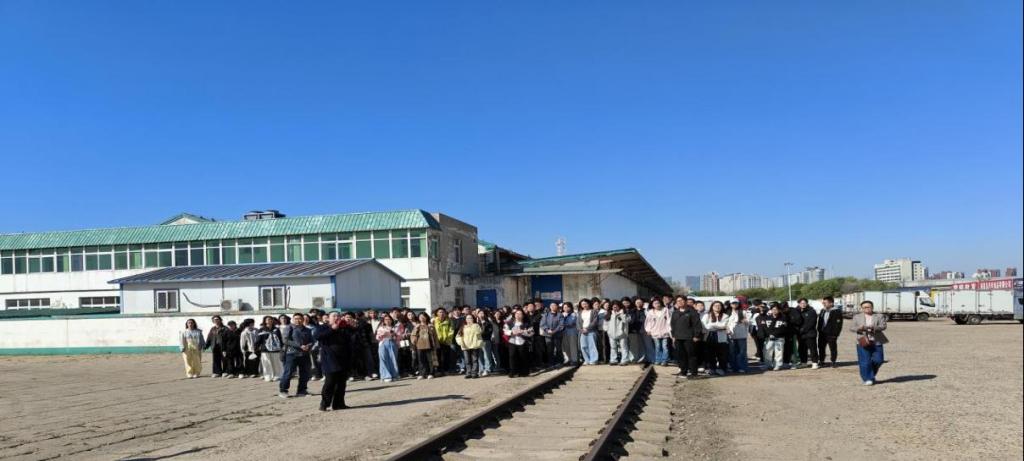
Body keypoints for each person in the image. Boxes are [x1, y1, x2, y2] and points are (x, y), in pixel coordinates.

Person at [314, 311, 354, 411]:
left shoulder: (343, 327)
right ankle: (324, 404)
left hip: (343, 358)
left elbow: (351, 336)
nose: (336, 317)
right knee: (330, 382)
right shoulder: (323, 327)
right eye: (334, 316)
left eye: (338, 316)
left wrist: (350, 326)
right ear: (328, 318)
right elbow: (318, 336)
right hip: (330, 359)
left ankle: (339, 404)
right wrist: (332, 329)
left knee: (341, 383)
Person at [851, 300, 888, 385]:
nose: (866, 309)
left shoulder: (879, 316)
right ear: (862, 308)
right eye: (864, 307)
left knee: (879, 360)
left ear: (872, 307)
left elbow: (883, 326)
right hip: (862, 340)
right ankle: (868, 379)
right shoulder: (857, 317)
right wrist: (859, 328)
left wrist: (874, 327)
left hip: (877, 341)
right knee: (865, 361)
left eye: (868, 307)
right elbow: (852, 328)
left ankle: (870, 373)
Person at [279, 313, 314, 398]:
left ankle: (302, 391)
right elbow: (286, 340)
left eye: (299, 319)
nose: (298, 320)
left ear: (303, 320)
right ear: (293, 320)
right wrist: (300, 346)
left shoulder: (307, 330)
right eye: (296, 319)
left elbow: (312, 341)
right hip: (291, 354)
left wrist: (308, 346)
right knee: (288, 373)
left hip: (304, 354)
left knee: (305, 373)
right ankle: (283, 390)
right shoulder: (289, 328)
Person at [670, 296, 703, 379]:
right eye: (678, 301)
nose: (680, 302)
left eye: (681, 300)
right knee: (681, 355)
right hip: (678, 337)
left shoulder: (692, 312)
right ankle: (683, 371)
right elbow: (673, 325)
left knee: (691, 355)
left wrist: (696, 336)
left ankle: (693, 373)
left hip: (689, 337)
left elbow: (697, 325)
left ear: (685, 301)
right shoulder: (675, 312)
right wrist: (673, 336)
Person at [703, 301, 730, 376]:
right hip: (710, 336)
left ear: (722, 307)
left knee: (722, 354)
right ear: (712, 306)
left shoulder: (725, 316)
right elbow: (706, 326)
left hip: (721, 336)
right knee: (711, 354)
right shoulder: (707, 315)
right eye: (715, 305)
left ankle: (721, 368)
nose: (717, 307)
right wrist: (718, 326)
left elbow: (724, 325)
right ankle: (712, 368)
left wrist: (712, 325)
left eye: (719, 305)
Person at [505, 309, 534, 377]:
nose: (518, 315)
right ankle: (513, 372)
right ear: (514, 315)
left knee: (523, 356)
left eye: (520, 314)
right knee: (512, 356)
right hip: (512, 341)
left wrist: (522, 332)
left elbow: (532, 332)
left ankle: (524, 372)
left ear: (523, 315)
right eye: (517, 314)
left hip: (522, 341)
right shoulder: (510, 323)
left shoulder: (527, 323)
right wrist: (512, 332)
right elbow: (505, 331)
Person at [817, 296, 844, 367]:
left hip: (831, 334)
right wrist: (819, 329)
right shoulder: (823, 310)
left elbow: (838, 324)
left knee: (833, 348)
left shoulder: (836, 311)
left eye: (825, 303)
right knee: (821, 348)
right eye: (823, 303)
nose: (823, 304)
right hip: (822, 333)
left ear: (831, 303)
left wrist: (835, 334)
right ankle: (821, 361)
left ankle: (833, 361)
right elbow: (820, 321)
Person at [410, 312, 437, 379]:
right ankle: (422, 374)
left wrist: (436, 345)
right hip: (419, 345)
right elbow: (412, 335)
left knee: (430, 360)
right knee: (421, 360)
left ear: (426, 317)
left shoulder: (431, 326)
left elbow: (435, 336)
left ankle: (431, 373)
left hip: (429, 344)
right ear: (418, 318)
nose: (422, 318)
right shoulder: (417, 326)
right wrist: (416, 329)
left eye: (423, 316)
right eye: (420, 317)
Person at [644, 299, 671, 366]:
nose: (657, 305)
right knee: (657, 346)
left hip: (665, 331)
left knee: (665, 347)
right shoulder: (650, 312)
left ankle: (664, 360)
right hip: (655, 331)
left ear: (661, 303)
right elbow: (648, 322)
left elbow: (669, 320)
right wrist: (648, 330)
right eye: (655, 303)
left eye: (658, 303)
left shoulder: (665, 310)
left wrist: (670, 329)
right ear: (652, 305)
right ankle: (658, 360)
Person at [256, 316, 283, 381]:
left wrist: (281, 347)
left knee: (276, 363)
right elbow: (259, 340)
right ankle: (268, 376)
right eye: (268, 319)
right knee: (267, 363)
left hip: (275, 349)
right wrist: (255, 347)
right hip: (265, 349)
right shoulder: (261, 330)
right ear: (265, 321)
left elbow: (280, 339)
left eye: (271, 319)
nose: (269, 320)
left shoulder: (276, 329)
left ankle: (277, 375)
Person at [796, 298, 820, 369]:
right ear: (799, 304)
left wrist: (803, 329)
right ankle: (804, 362)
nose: (803, 304)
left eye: (804, 303)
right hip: (801, 335)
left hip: (810, 333)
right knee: (802, 349)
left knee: (813, 349)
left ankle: (815, 363)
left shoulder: (812, 311)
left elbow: (812, 323)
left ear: (807, 303)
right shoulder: (797, 311)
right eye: (801, 303)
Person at [375, 314, 400, 383]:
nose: (388, 321)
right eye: (386, 319)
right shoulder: (381, 328)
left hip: (392, 343)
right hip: (383, 343)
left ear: (391, 320)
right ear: (383, 321)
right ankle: (386, 376)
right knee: (383, 359)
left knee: (393, 359)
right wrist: (383, 334)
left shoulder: (395, 328)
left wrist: (395, 335)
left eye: (389, 319)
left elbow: (398, 337)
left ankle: (394, 375)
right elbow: (377, 337)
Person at [763, 304, 788, 371]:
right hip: (769, 338)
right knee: (767, 351)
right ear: (771, 310)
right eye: (773, 309)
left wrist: (774, 334)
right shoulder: (767, 318)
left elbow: (783, 328)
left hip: (779, 338)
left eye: (776, 309)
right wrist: (769, 334)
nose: (774, 311)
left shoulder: (783, 318)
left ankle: (778, 365)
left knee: (779, 352)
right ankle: (768, 365)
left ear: (779, 310)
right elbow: (765, 328)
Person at [458, 314, 484, 378]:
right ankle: (468, 373)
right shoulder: (463, 327)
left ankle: (474, 373)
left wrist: (474, 324)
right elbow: (458, 336)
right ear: (465, 320)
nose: (469, 319)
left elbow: (479, 332)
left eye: (470, 318)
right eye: (467, 318)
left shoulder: (476, 326)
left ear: (473, 319)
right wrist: (461, 343)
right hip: (465, 346)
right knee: (467, 360)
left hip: (474, 345)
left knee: (474, 360)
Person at [726, 303, 750, 373]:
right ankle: (733, 367)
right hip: (731, 335)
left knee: (741, 352)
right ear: (730, 304)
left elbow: (749, 322)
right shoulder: (728, 313)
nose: (734, 305)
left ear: (738, 304)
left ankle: (742, 367)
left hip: (741, 335)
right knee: (732, 352)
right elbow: (725, 323)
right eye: (733, 303)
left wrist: (745, 321)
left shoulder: (743, 312)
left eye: (736, 303)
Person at [606, 301, 632, 365]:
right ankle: (613, 360)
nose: (615, 307)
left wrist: (621, 314)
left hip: (622, 333)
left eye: (616, 306)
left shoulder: (624, 313)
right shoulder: (609, 314)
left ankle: (625, 360)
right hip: (611, 333)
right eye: (613, 306)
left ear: (619, 306)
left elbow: (627, 320)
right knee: (613, 347)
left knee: (623, 347)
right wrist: (607, 330)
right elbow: (605, 323)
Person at [539, 303, 564, 367]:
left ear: (557, 307)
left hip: (557, 335)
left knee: (558, 349)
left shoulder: (560, 315)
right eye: (551, 306)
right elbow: (542, 324)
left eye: (554, 305)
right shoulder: (546, 315)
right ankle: (551, 363)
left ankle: (559, 362)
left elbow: (561, 325)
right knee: (549, 349)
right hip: (548, 335)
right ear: (550, 307)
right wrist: (547, 330)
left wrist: (554, 331)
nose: (553, 307)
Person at [433, 308, 456, 375]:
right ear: (437, 313)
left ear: (445, 313)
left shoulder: (449, 321)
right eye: (440, 312)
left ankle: (446, 370)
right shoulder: (434, 321)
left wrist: (447, 339)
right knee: (438, 356)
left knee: (446, 356)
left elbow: (451, 331)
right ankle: (438, 370)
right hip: (437, 341)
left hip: (446, 341)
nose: (441, 313)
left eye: (443, 312)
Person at [577, 299, 600, 365]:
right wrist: (581, 329)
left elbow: (595, 321)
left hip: (591, 331)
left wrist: (587, 328)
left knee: (592, 346)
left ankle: (594, 360)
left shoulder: (593, 311)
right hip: (582, 331)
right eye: (582, 304)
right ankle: (587, 360)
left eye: (585, 304)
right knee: (583, 346)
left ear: (589, 304)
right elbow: (577, 323)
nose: (584, 305)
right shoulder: (580, 312)